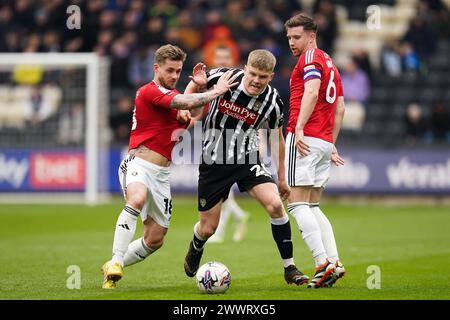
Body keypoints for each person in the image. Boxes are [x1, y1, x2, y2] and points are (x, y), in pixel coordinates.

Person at [101, 44, 239, 289]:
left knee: (154, 240)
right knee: (136, 198)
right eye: (170, 70)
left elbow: (193, 112)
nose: (174, 75)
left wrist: (197, 84)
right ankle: (115, 261)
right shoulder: (148, 91)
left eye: (178, 71)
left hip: (162, 174)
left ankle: (112, 265)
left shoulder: (172, 99)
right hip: (139, 163)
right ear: (156, 68)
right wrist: (216, 91)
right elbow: (184, 102)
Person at [183, 49, 310, 286]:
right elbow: (192, 96)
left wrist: (282, 179)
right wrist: (196, 89)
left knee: (275, 204)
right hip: (214, 162)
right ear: (245, 69)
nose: (256, 80)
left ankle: (290, 267)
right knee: (208, 228)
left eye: (263, 76)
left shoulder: (273, 102)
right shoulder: (222, 76)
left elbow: (277, 139)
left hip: (247, 160)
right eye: (252, 74)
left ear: (271, 76)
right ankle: (197, 244)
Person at [284, 14, 346, 288]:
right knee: (313, 206)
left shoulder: (310, 58)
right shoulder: (331, 63)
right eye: (288, 38)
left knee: (296, 204)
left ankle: (322, 263)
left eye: (296, 37)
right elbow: (340, 107)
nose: (292, 42)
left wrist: (298, 128)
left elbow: (311, 92)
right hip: (322, 140)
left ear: (312, 36)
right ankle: (335, 261)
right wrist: (331, 143)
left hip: (305, 138)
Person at [203, 45, 251, 244]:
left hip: (235, 140)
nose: (222, 61)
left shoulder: (240, 82)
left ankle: (220, 231)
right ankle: (239, 216)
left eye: (225, 57)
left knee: (221, 189)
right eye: (218, 57)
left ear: (232, 59)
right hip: (215, 138)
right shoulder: (213, 80)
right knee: (224, 190)